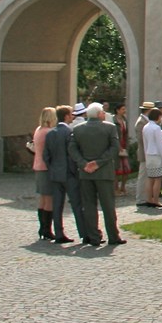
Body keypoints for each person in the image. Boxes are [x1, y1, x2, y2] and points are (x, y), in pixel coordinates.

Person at [68, 102, 124, 246]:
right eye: (103, 112)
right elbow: (114, 148)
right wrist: (99, 162)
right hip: (104, 172)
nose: (105, 114)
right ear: (99, 114)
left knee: (89, 205)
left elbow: (72, 149)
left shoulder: (78, 129)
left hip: (86, 172)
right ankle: (113, 236)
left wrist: (83, 163)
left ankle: (94, 237)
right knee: (108, 206)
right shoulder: (109, 128)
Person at [45, 106, 79, 244]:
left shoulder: (51, 133)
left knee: (57, 206)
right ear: (66, 116)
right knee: (76, 204)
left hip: (55, 174)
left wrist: (52, 169)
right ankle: (84, 233)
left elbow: (46, 156)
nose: (73, 116)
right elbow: (71, 154)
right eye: (71, 114)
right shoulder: (69, 132)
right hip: (68, 174)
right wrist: (73, 170)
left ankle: (59, 233)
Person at [31, 106, 57, 240]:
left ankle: (43, 227)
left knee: (42, 198)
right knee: (49, 199)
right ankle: (47, 228)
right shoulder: (48, 132)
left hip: (38, 166)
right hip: (46, 168)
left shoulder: (38, 130)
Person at [137, 107, 162, 208]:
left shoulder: (146, 127)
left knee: (150, 178)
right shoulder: (156, 128)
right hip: (156, 155)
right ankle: (155, 200)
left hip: (149, 154)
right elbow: (160, 144)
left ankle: (149, 199)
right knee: (158, 179)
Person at [112, 104, 133, 196]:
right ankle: (115, 188)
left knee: (126, 168)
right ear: (117, 110)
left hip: (124, 146)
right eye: (122, 109)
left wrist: (127, 146)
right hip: (116, 147)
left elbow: (126, 133)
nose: (124, 110)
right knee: (116, 169)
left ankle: (123, 187)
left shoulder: (124, 120)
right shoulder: (113, 120)